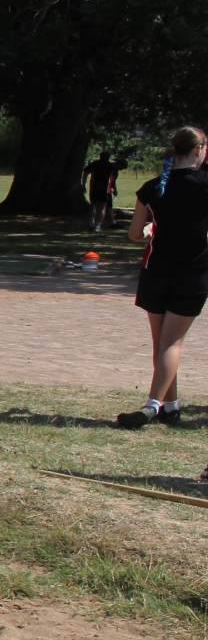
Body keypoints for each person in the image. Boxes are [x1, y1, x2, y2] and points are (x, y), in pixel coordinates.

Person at [118, 126, 208, 428]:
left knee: (162, 344)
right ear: (198, 149)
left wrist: (148, 230)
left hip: (155, 272)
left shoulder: (153, 186)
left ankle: (171, 407)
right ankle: (153, 406)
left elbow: (134, 233)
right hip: (193, 274)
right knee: (172, 344)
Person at [84, 151, 122, 233]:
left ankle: (91, 224)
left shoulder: (95, 164)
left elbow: (85, 172)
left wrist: (83, 184)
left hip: (94, 188)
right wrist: (114, 189)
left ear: (100, 156)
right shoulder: (111, 166)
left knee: (93, 206)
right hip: (105, 189)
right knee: (102, 207)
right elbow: (112, 180)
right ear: (108, 157)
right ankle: (97, 226)